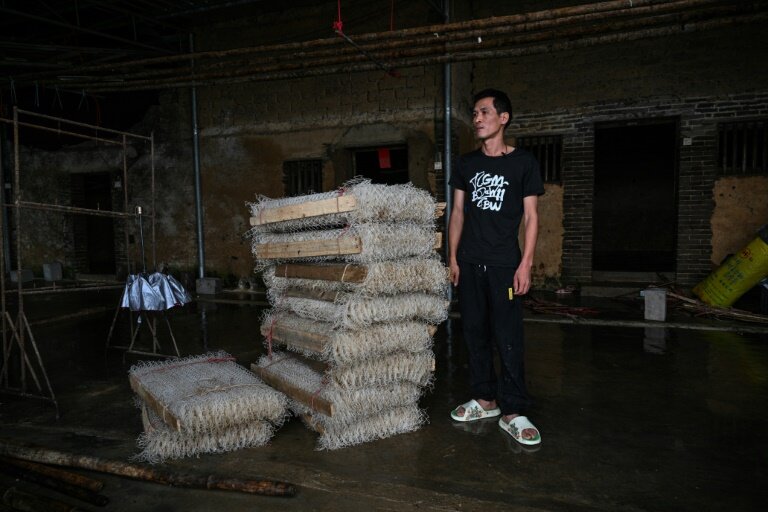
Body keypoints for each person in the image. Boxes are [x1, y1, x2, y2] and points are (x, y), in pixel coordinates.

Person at [447, 88, 544, 446]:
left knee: (507, 337)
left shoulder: (523, 163)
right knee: (474, 332)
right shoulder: (466, 164)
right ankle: (485, 399)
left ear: (503, 118)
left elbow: (532, 217)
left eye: (484, 112)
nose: (477, 119)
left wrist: (526, 264)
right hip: (470, 262)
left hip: (505, 264)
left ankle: (514, 410)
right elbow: (457, 213)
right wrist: (453, 257)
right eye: (474, 113)